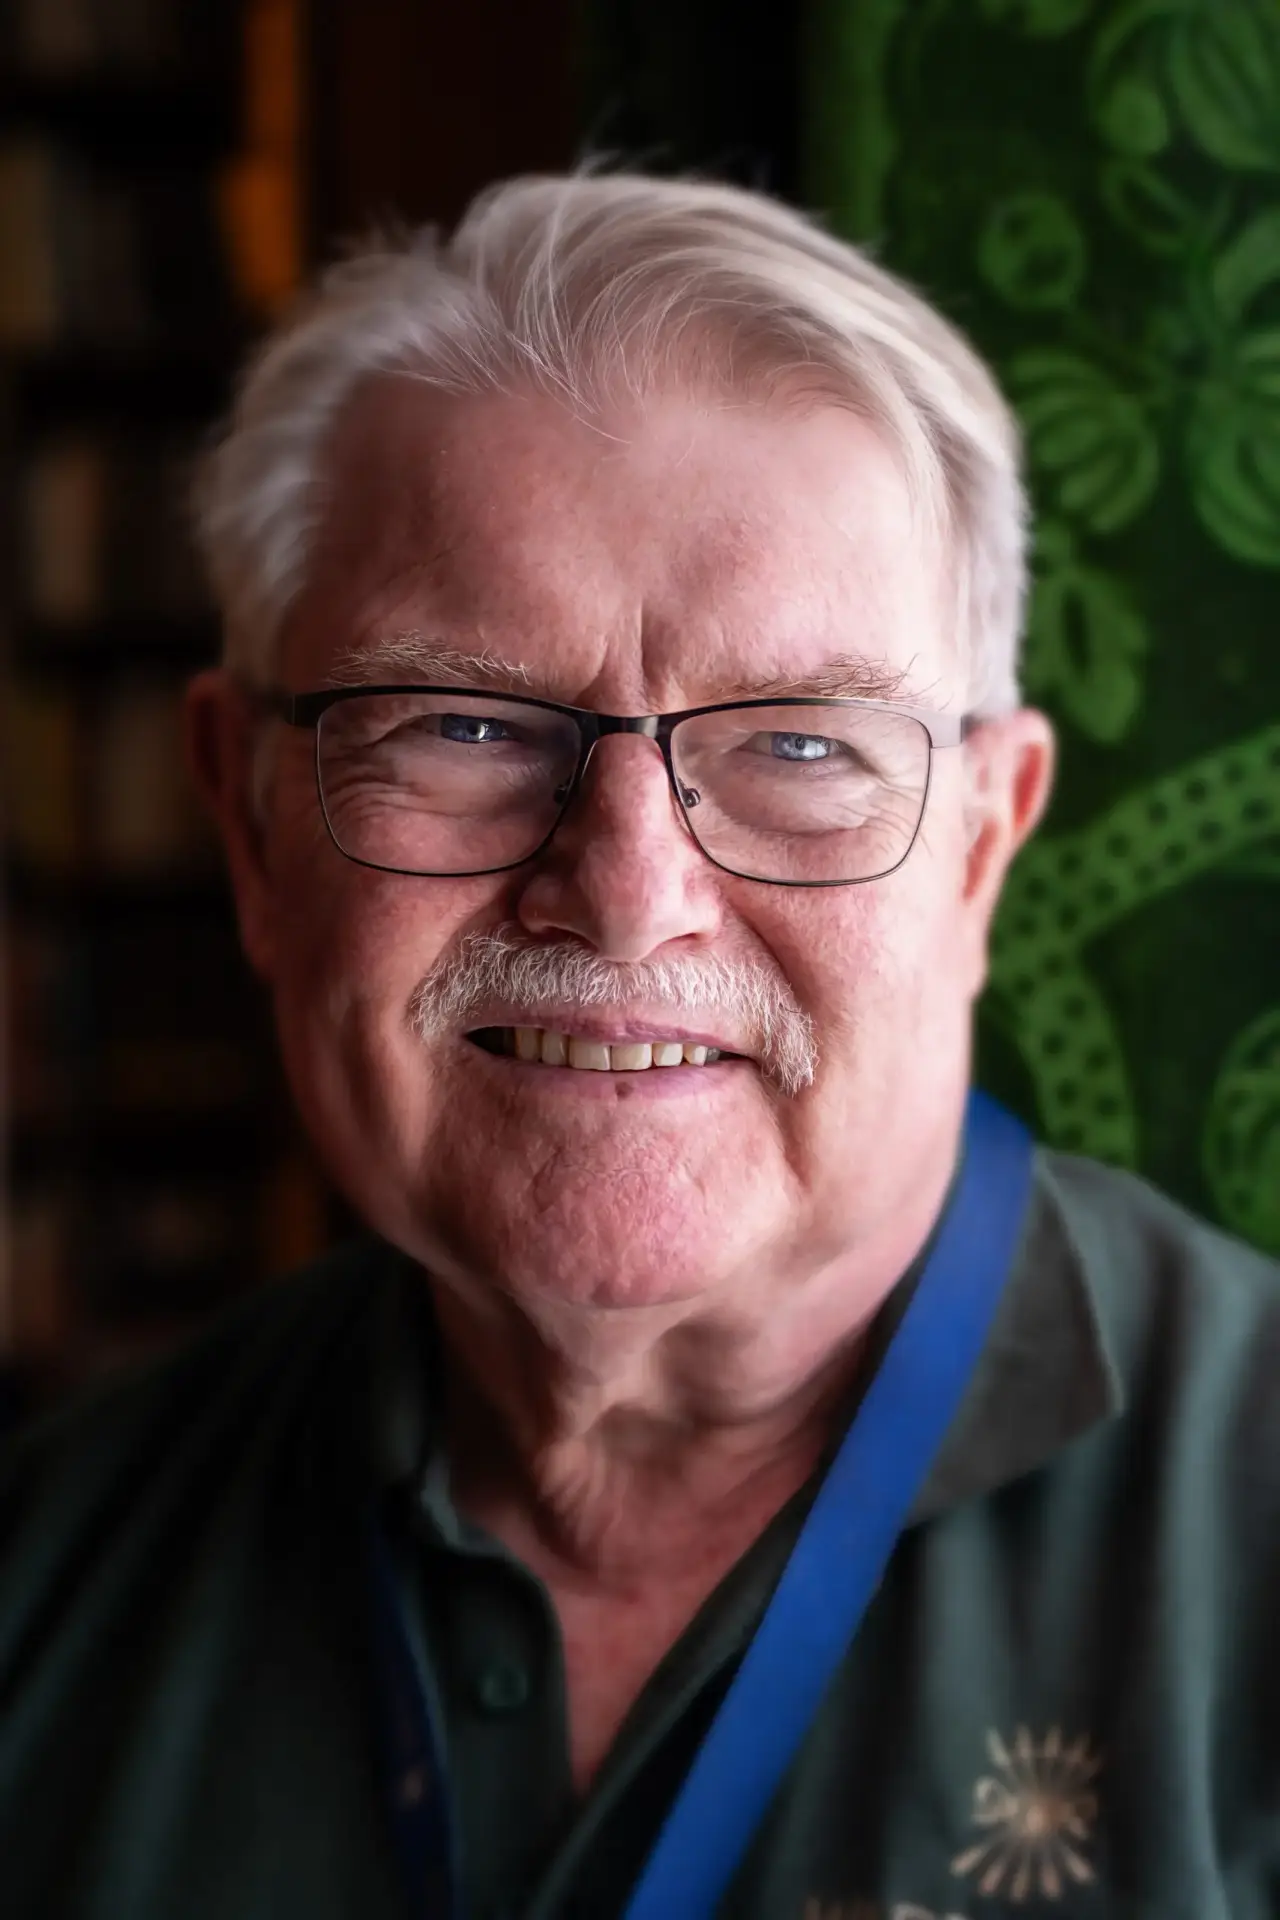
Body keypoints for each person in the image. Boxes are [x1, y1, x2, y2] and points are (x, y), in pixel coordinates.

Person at [2, 172, 1278, 1920]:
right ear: (247, 825)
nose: (626, 896)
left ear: (985, 843)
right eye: (460, 722)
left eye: (805, 747)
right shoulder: (47, 1583)